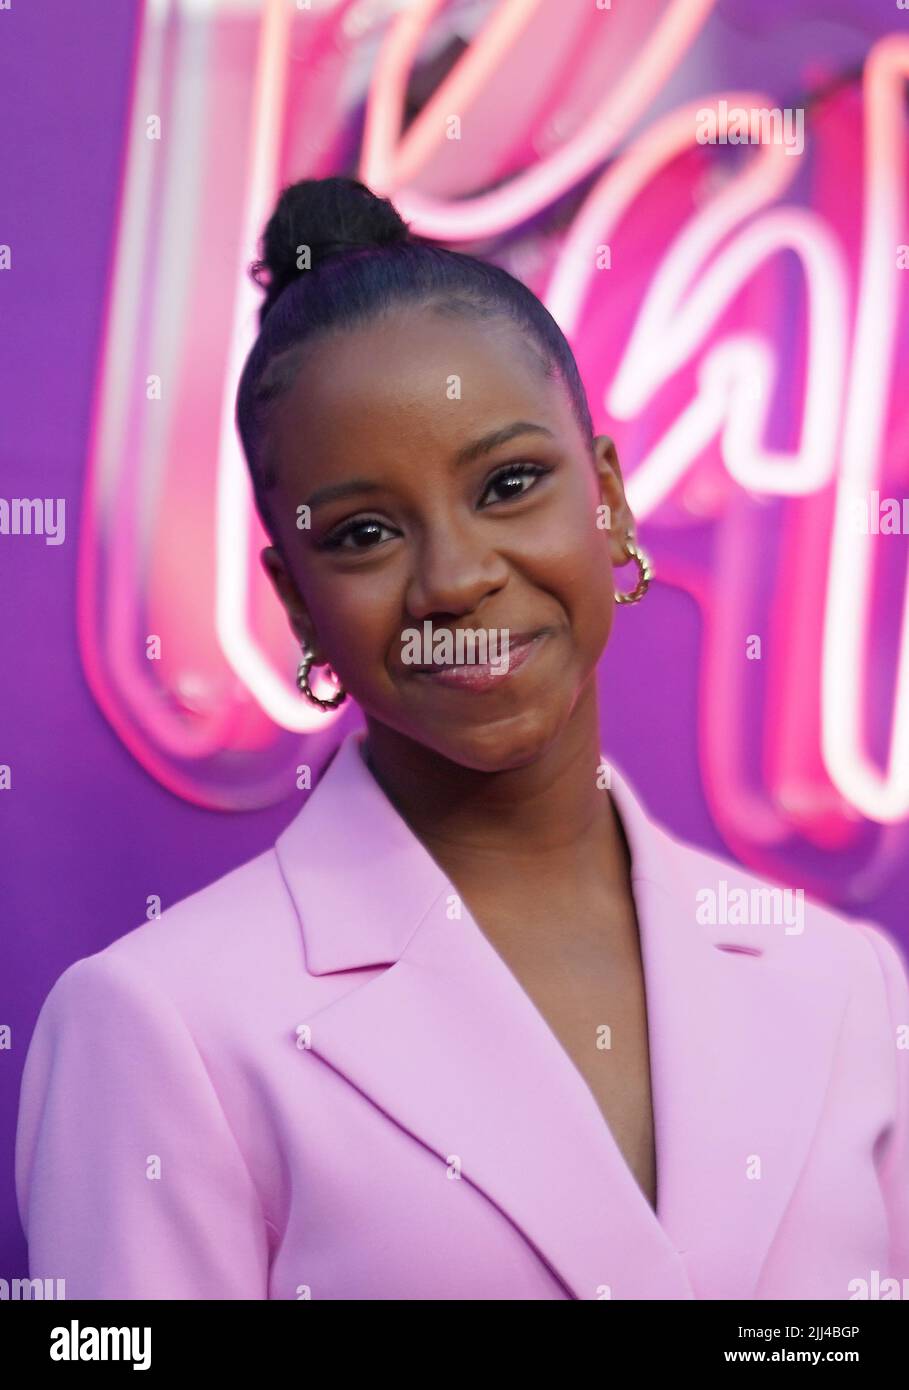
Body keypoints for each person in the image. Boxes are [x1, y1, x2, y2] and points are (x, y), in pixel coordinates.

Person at [15, 177, 909, 1300]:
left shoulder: (842, 983)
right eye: (366, 532)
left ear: (611, 499)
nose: (455, 579)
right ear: (295, 601)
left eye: (510, 483)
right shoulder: (159, 1023)